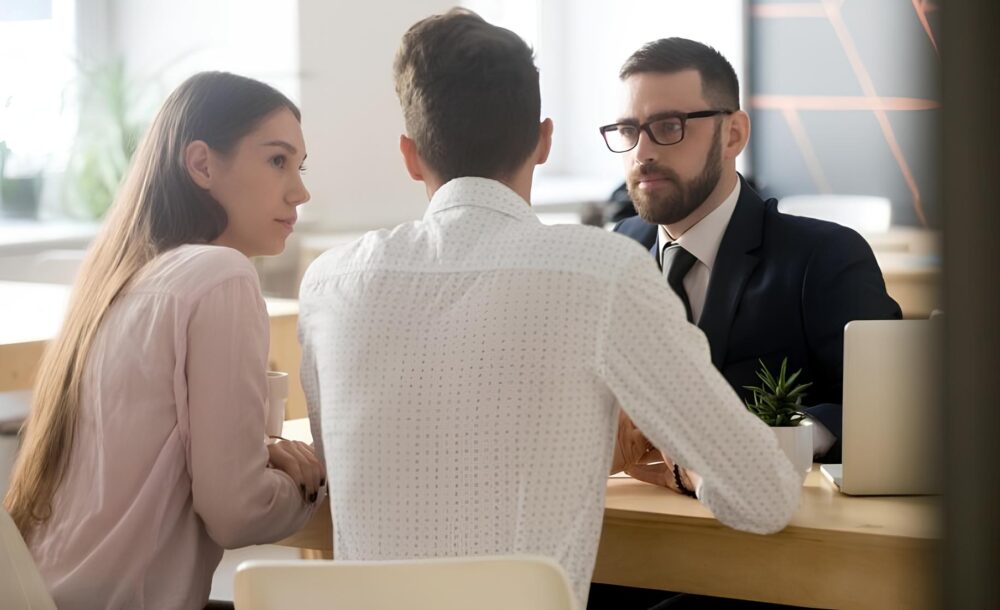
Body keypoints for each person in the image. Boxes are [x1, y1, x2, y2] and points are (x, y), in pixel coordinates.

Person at [297, 10, 800, 609]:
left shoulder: (329, 283)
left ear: (410, 155)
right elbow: (764, 497)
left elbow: (342, 480)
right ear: (543, 140)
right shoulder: (602, 273)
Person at [3, 71, 324, 610]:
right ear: (201, 164)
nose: (301, 191)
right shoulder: (221, 276)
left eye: (300, 166)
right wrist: (306, 483)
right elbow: (236, 511)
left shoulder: (121, 278)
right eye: (277, 161)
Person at [606, 38, 901, 467]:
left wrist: (780, 440)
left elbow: (890, 408)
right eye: (628, 131)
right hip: (640, 516)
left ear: (734, 134)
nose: (642, 152)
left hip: (780, 525)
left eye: (670, 127)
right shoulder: (619, 250)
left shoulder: (825, 258)